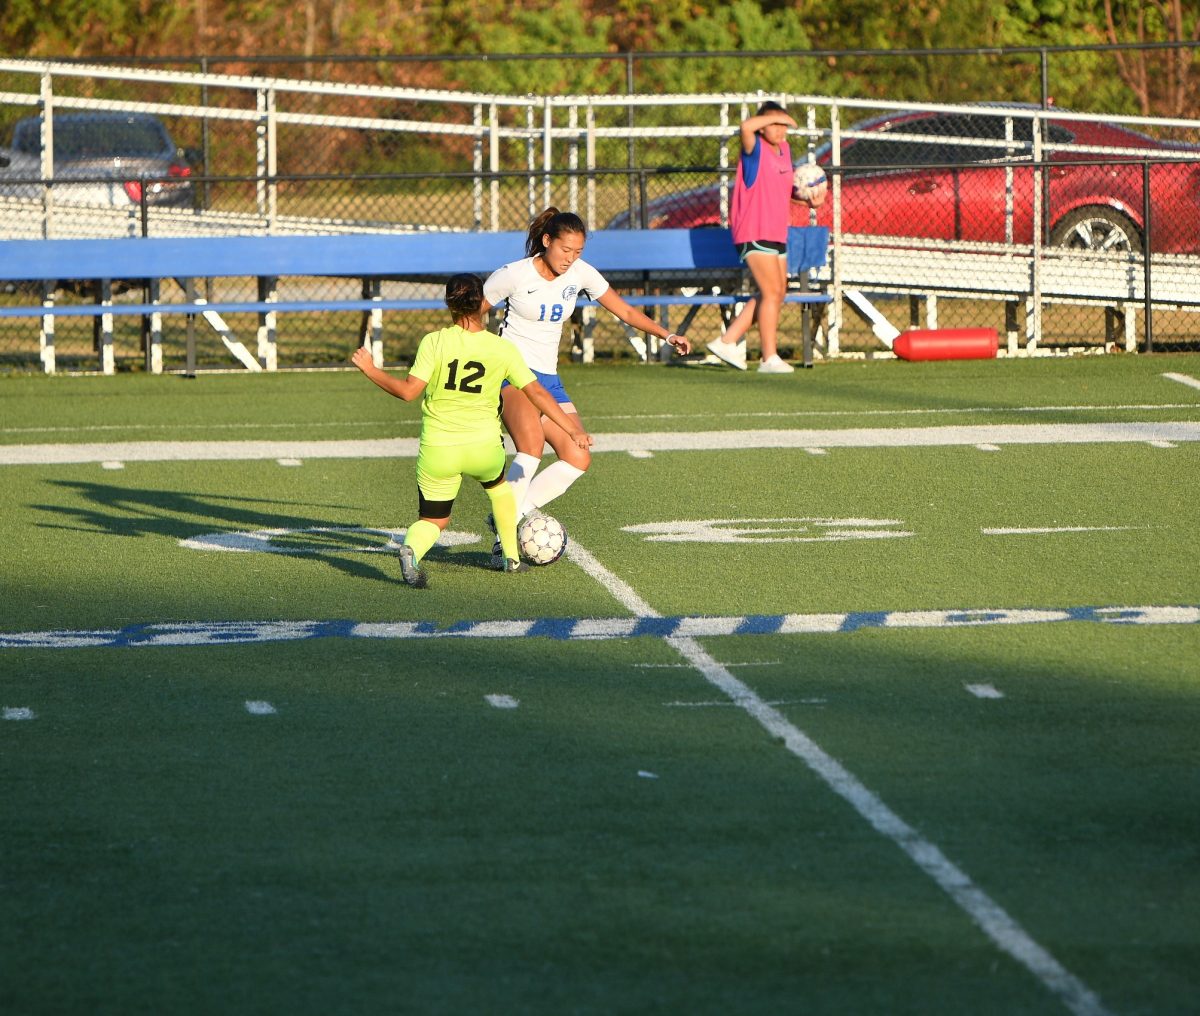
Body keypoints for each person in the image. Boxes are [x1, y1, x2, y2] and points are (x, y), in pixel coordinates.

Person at [351, 272, 592, 588]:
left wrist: (370, 369)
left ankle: (412, 548)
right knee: (501, 491)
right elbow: (537, 394)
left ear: (449, 305)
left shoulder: (434, 342)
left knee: (434, 520)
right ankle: (510, 557)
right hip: (482, 448)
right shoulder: (501, 349)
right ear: (483, 304)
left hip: (439, 450)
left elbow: (408, 392)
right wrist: (571, 429)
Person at [480, 207, 691, 542]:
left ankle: (510, 514)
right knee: (531, 446)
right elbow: (472, 315)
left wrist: (666, 335)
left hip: (548, 379)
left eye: (578, 252)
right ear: (547, 241)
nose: (570, 258)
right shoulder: (514, 275)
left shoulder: (579, 273)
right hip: (512, 375)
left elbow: (622, 309)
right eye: (565, 250)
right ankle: (504, 537)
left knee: (578, 456)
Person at [706, 100, 815, 374]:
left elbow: (784, 190)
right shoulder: (754, 148)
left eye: (782, 124)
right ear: (762, 126)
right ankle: (769, 358)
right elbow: (745, 126)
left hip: (777, 230)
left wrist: (809, 200)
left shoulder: (785, 150)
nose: (779, 130)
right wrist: (777, 118)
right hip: (754, 230)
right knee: (770, 292)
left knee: (777, 292)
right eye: (772, 124)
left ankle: (727, 340)